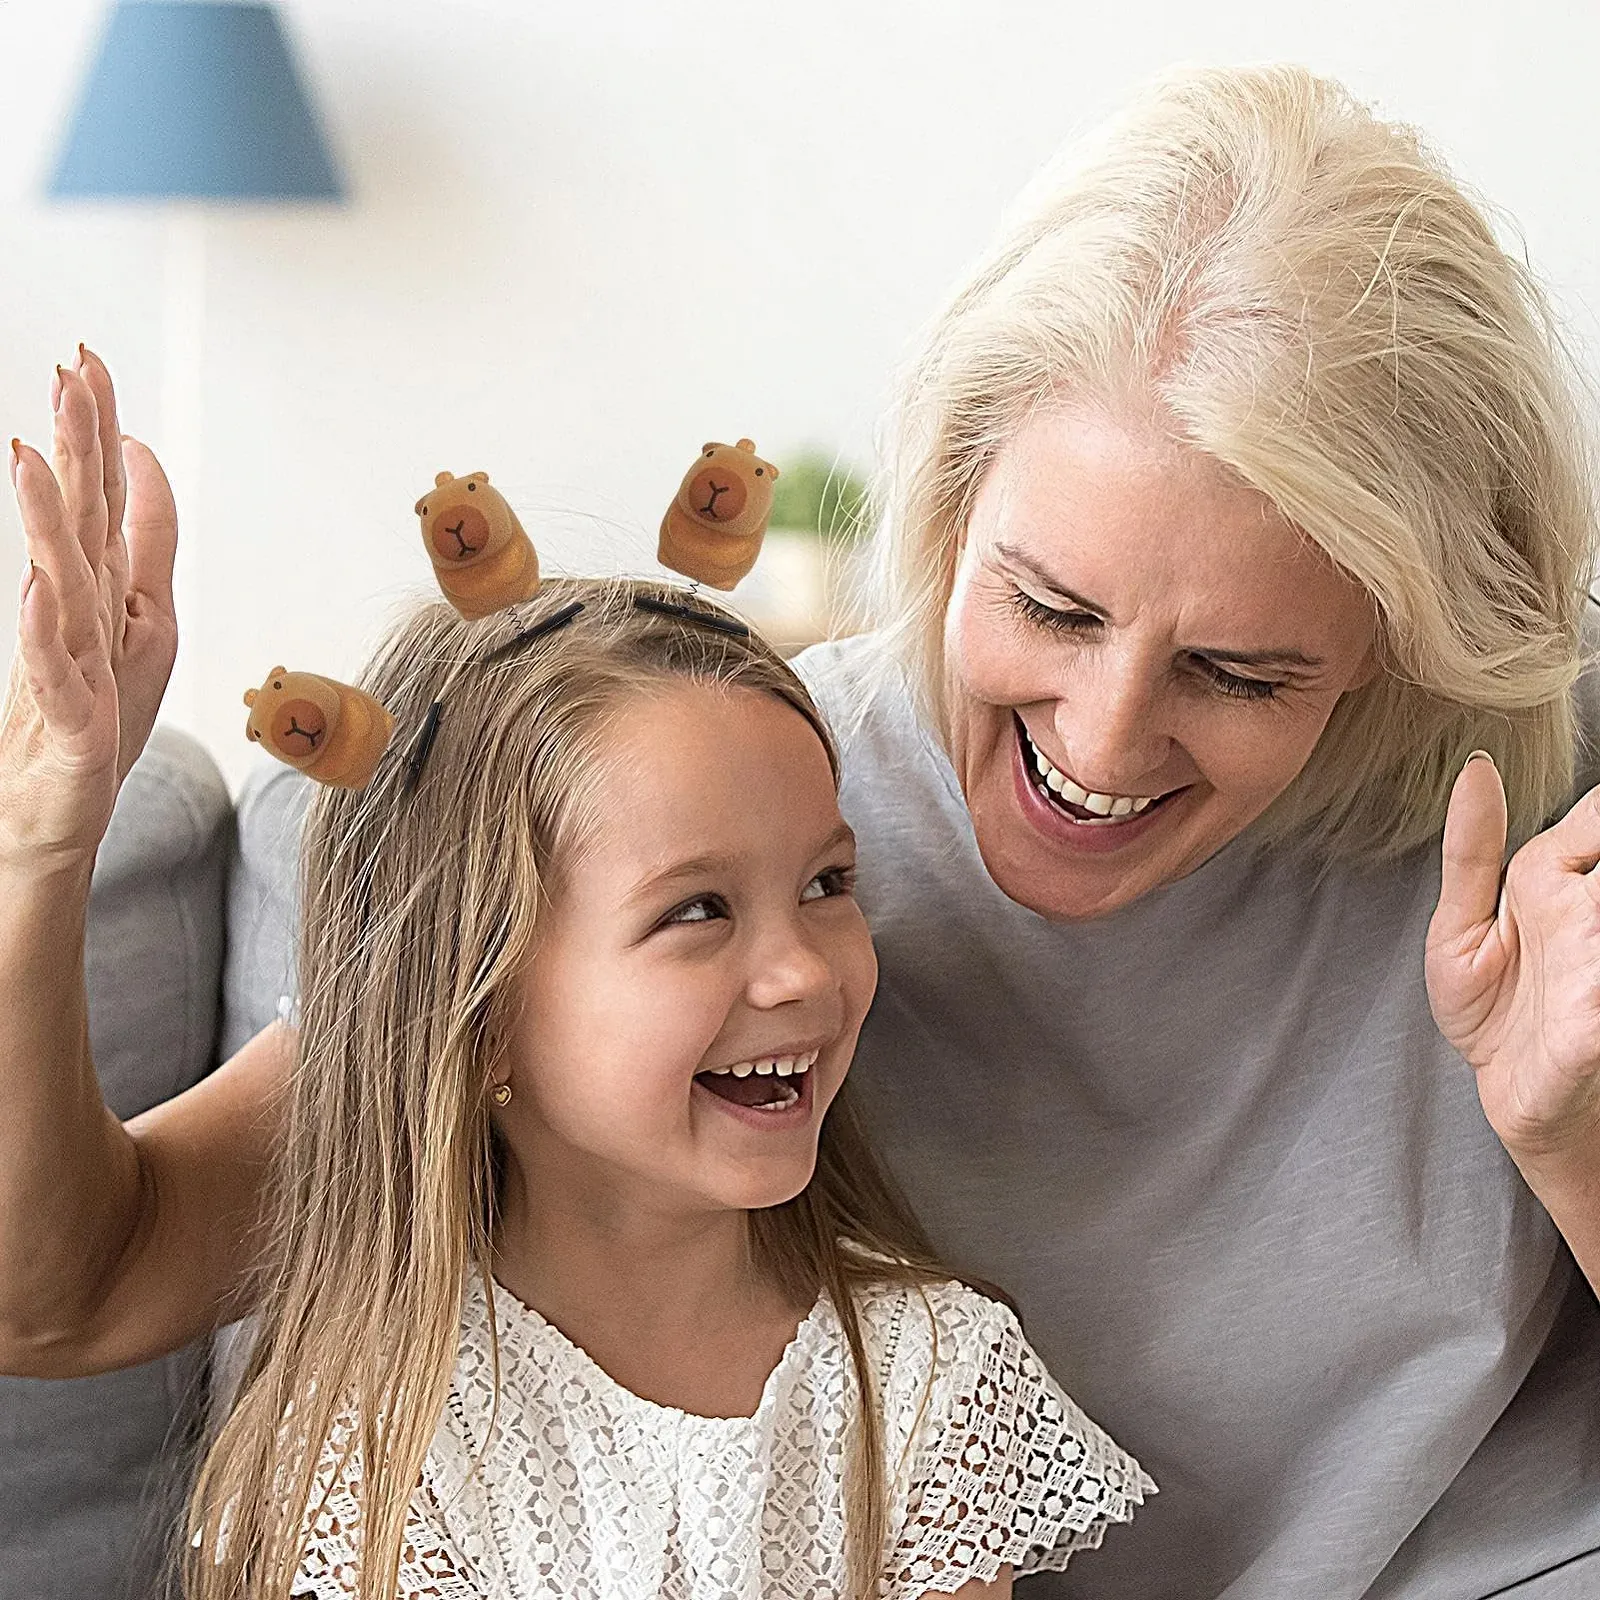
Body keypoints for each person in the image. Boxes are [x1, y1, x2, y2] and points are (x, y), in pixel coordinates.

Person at [4, 59, 1600, 1598]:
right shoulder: (737, 794)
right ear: (953, 500)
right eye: (1048, 604)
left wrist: (1564, 1135)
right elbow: (64, 1287)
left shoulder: (1530, 831)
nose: (1101, 743)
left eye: (1239, 672)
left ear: (1400, 641)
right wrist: (43, 842)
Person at [2, 493, 1153, 1597]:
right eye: (697, 908)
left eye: (827, 883)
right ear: (484, 1011)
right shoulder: (383, 1416)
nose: (804, 968)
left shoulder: (925, 1376)